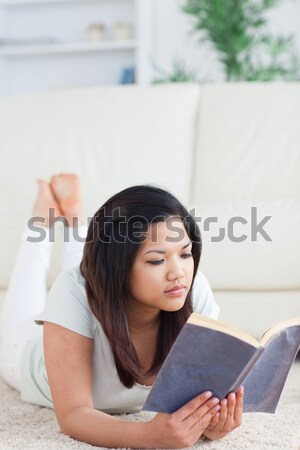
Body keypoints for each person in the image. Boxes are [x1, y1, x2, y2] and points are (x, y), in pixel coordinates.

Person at [0, 174, 243, 448]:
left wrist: (212, 424)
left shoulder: (193, 290)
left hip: (94, 289)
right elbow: (72, 415)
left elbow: (203, 397)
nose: (179, 273)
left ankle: (73, 218)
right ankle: (43, 219)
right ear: (118, 268)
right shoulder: (72, 291)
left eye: (185, 254)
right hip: (25, 352)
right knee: (48, 276)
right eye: (157, 260)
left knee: (82, 277)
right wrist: (150, 436)